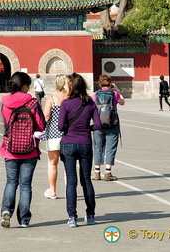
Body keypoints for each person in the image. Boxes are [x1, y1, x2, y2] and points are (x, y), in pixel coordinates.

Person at [0, 71, 45, 229]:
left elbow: (5, 121)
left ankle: (6, 211)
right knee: (25, 185)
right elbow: (40, 125)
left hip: (10, 147)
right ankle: (24, 219)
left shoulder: (5, 102)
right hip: (29, 149)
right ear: (24, 85)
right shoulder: (32, 103)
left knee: (11, 182)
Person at [58, 73, 101, 227]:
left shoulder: (66, 104)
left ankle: (72, 217)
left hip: (68, 143)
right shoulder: (90, 103)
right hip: (85, 143)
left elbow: (60, 126)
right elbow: (98, 125)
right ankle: (90, 215)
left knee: (71, 182)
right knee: (86, 181)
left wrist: (70, 129)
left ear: (71, 87)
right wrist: (86, 128)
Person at [92, 75, 125, 181]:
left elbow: (92, 107)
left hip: (98, 124)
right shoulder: (114, 94)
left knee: (98, 147)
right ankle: (108, 172)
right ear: (110, 83)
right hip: (112, 124)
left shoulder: (96, 94)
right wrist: (118, 90)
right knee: (111, 148)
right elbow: (122, 102)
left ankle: (97, 172)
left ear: (99, 84)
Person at [42, 74, 69, 199]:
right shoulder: (72, 99)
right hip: (69, 135)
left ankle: (52, 191)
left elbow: (46, 117)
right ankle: (68, 192)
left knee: (53, 163)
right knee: (68, 165)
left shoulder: (52, 99)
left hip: (53, 134)